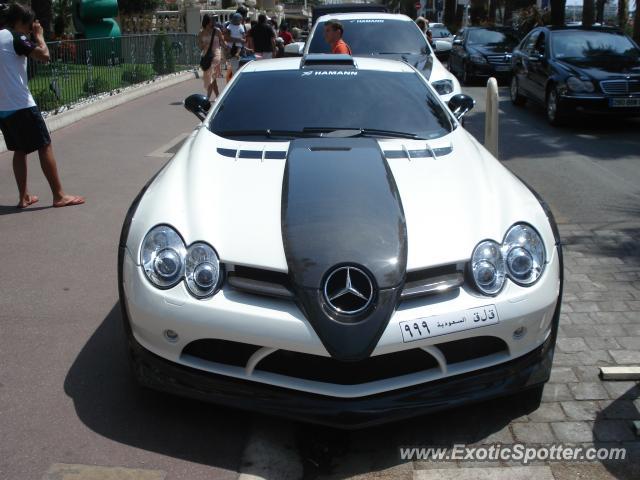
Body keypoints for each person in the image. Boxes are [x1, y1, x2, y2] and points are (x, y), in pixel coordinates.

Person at [0, 3, 84, 209]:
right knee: (44, 145)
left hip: (3, 107)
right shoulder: (15, 37)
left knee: (19, 150)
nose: (29, 30)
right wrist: (39, 36)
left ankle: (24, 197)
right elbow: (44, 56)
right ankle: (59, 195)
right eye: (28, 26)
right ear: (20, 22)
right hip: (21, 104)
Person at [197, 14, 224, 100]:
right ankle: (218, 96)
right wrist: (203, 44)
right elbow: (200, 47)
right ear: (207, 21)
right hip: (206, 56)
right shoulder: (201, 32)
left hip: (216, 54)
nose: (213, 22)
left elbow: (223, 42)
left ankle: (207, 97)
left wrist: (228, 48)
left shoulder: (217, 30)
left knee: (210, 74)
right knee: (212, 77)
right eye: (211, 20)